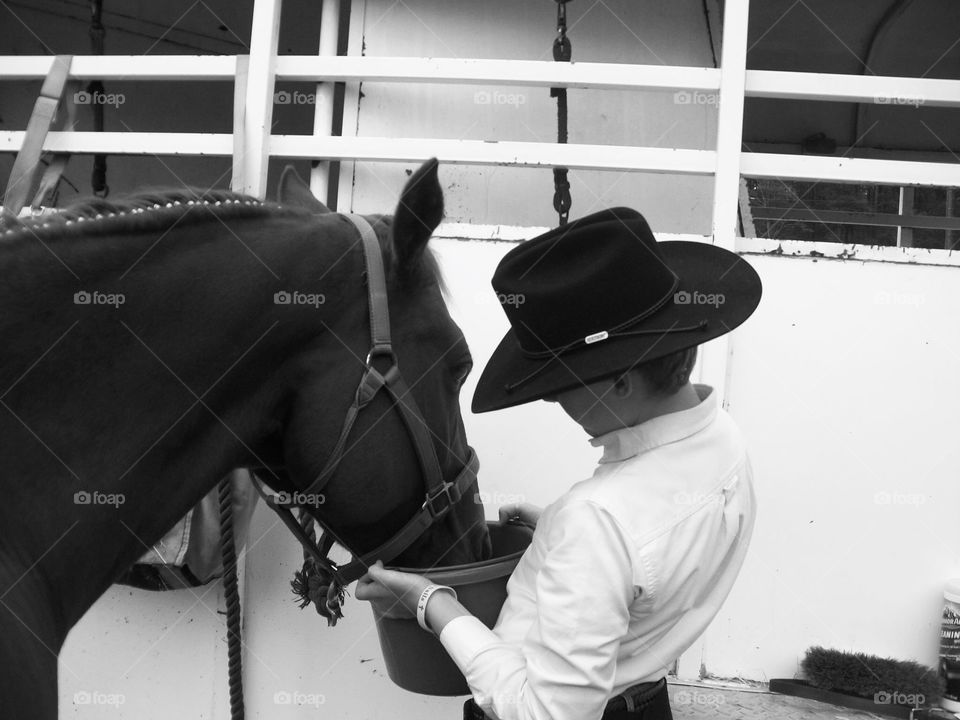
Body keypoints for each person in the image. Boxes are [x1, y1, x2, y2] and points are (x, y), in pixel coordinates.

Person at [356, 207, 763, 720]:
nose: (551, 401)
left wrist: (431, 603)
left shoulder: (598, 520)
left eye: (559, 386)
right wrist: (558, 535)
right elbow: (655, 551)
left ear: (620, 381)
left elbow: (545, 713)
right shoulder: (723, 438)